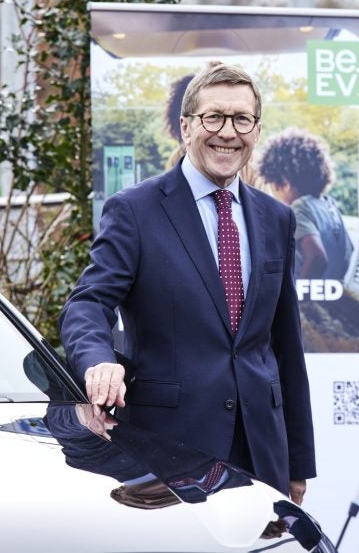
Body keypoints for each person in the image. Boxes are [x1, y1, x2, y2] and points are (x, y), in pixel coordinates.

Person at [59, 62, 316, 502]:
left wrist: (298, 462)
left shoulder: (277, 218)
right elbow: (88, 304)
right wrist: (98, 361)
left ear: (257, 130)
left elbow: (286, 345)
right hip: (170, 450)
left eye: (242, 119)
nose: (228, 132)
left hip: (262, 451)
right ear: (186, 126)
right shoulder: (135, 211)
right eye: (213, 117)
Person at [256, 127, 353, 281]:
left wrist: (300, 292)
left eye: (273, 187)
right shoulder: (329, 205)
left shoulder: (299, 209)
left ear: (285, 184)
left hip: (307, 292)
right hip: (331, 287)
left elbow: (316, 257)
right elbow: (348, 250)